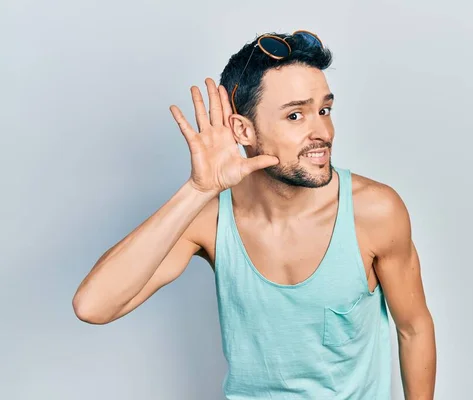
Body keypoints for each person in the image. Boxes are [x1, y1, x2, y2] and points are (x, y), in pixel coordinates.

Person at [72, 30, 437, 399]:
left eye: (324, 110)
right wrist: (198, 191)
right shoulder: (211, 219)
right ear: (243, 130)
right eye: (295, 115)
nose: (322, 132)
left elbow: (414, 327)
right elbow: (94, 306)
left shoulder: (374, 210)